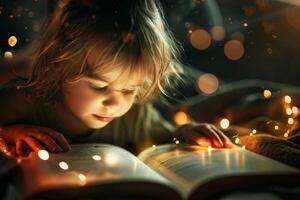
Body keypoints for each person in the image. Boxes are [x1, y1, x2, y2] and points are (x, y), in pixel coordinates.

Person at [0, 0, 232, 158]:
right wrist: (9, 133)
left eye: (130, 90)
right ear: (60, 65)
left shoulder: (133, 116)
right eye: (100, 86)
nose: (115, 103)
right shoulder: (26, 100)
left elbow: (167, 134)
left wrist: (187, 132)